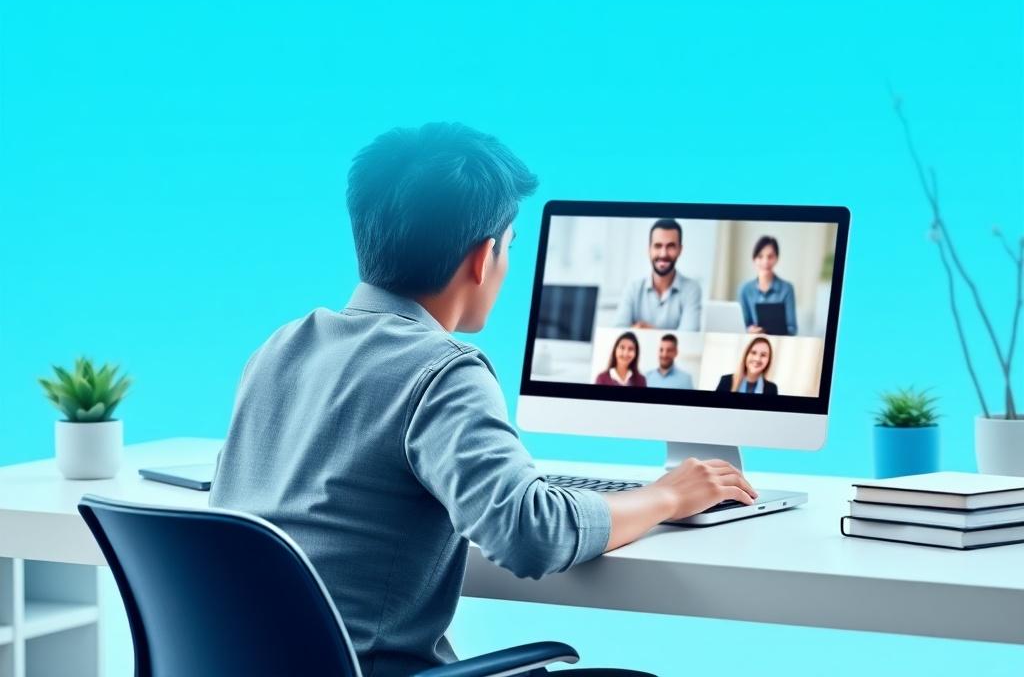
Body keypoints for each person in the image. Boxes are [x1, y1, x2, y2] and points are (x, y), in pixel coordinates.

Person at [209, 123, 757, 677]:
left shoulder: (280, 346)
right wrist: (666, 496)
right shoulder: (442, 370)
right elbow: (530, 531)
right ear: (483, 257)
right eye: (510, 248)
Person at [614, 218, 702, 331]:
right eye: (658, 246)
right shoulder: (633, 288)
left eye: (670, 246)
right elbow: (617, 333)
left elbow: (688, 338)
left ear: (680, 249)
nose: (663, 253)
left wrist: (645, 332)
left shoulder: (692, 289)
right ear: (649, 249)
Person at [737, 235, 797, 335]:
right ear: (754, 259)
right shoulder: (745, 289)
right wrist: (749, 330)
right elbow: (743, 325)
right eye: (760, 256)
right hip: (753, 343)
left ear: (776, 258)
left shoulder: (787, 289)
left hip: (779, 342)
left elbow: (792, 328)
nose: (765, 262)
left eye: (770, 256)